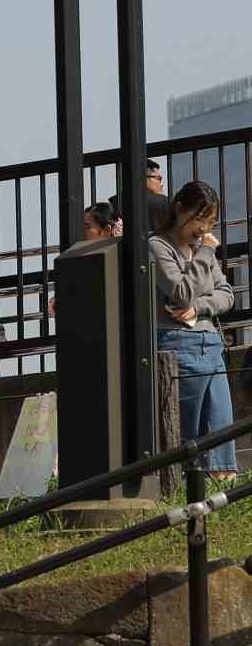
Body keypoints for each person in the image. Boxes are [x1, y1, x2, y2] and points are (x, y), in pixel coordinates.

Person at [151, 180, 238, 482]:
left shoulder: (201, 249)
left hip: (211, 341)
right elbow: (181, 292)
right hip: (178, 342)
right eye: (200, 219)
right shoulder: (158, 246)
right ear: (179, 209)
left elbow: (227, 294)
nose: (204, 229)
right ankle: (189, 486)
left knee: (221, 422)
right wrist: (206, 254)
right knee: (186, 427)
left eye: (211, 222)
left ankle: (223, 488)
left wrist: (199, 307)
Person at [110, 158, 170, 237]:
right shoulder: (161, 201)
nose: (161, 184)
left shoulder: (114, 203)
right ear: (143, 178)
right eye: (158, 178)